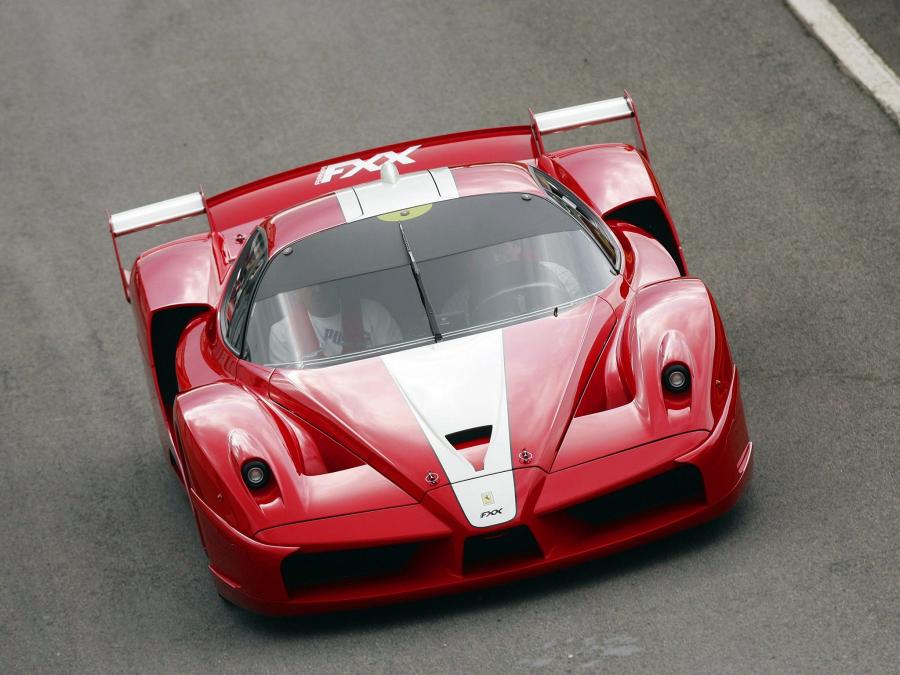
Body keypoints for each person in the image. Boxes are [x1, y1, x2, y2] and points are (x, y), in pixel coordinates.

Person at [440, 238, 581, 319]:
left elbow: (579, 311)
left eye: (500, 250)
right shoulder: (462, 299)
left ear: (517, 246)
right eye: (485, 253)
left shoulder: (558, 274)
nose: (494, 258)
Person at [268, 283, 402, 363]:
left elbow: (397, 361)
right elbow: (286, 387)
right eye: (309, 285)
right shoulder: (283, 333)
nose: (318, 290)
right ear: (296, 292)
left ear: (335, 283)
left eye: (322, 282)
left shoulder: (373, 312)